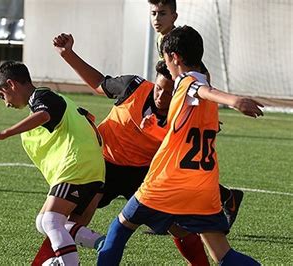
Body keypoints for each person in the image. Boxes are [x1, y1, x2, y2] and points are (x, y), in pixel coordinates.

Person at [97, 25, 263, 265]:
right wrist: (153, 127)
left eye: (167, 59)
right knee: (223, 255)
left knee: (120, 227)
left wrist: (235, 100)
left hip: (168, 182)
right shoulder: (200, 90)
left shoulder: (187, 83)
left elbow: (201, 89)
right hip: (203, 185)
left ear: (174, 57)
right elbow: (183, 130)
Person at [54, 32, 209, 265]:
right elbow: (99, 83)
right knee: (66, 220)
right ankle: (55, 260)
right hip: (101, 164)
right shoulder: (133, 87)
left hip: (142, 173)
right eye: (159, 89)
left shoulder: (182, 112)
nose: (161, 96)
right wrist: (68, 54)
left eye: (169, 93)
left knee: (178, 226)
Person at [0, 61, 106, 265]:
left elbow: (43, 115)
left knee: (51, 220)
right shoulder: (52, 100)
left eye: (3, 95)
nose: (6, 103)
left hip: (78, 166)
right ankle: (101, 242)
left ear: (11, 85)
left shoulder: (42, 96)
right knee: (43, 222)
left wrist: (4, 133)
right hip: (89, 168)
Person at [149, 0, 242, 227]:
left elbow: (201, 77)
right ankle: (174, 215)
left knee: (178, 162)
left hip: (189, 112)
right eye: (153, 13)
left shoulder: (181, 42)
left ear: (174, 16)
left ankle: (171, 216)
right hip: (176, 108)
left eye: (162, 14)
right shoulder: (163, 40)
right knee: (173, 161)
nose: (156, 19)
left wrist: (208, 112)